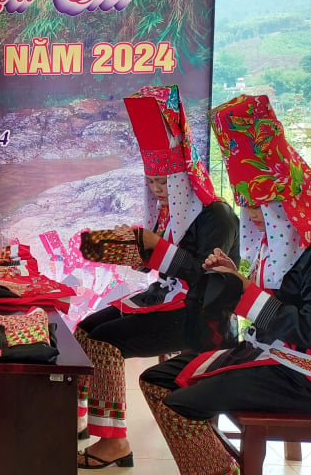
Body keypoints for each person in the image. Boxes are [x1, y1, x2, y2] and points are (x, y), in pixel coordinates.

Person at [139, 94, 311, 475]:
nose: (254, 217)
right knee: (156, 380)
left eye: (262, 207)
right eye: (248, 206)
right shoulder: (280, 241)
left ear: (290, 200)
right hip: (267, 356)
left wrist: (243, 291)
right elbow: (264, 300)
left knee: (179, 403)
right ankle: (221, 469)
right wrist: (232, 277)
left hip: (308, 375)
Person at [75, 85, 240, 469]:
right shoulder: (170, 213)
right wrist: (115, 246)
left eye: (165, 184)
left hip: (201, 315)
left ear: (186, 179)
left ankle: (113, 442)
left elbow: (209, 281)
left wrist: (155, 247)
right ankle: (86, 419)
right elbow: (158, 267)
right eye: (152, 182)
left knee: (103, 342)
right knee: (84, 329)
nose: (158, 191)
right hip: (167, 297)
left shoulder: (217, 215)